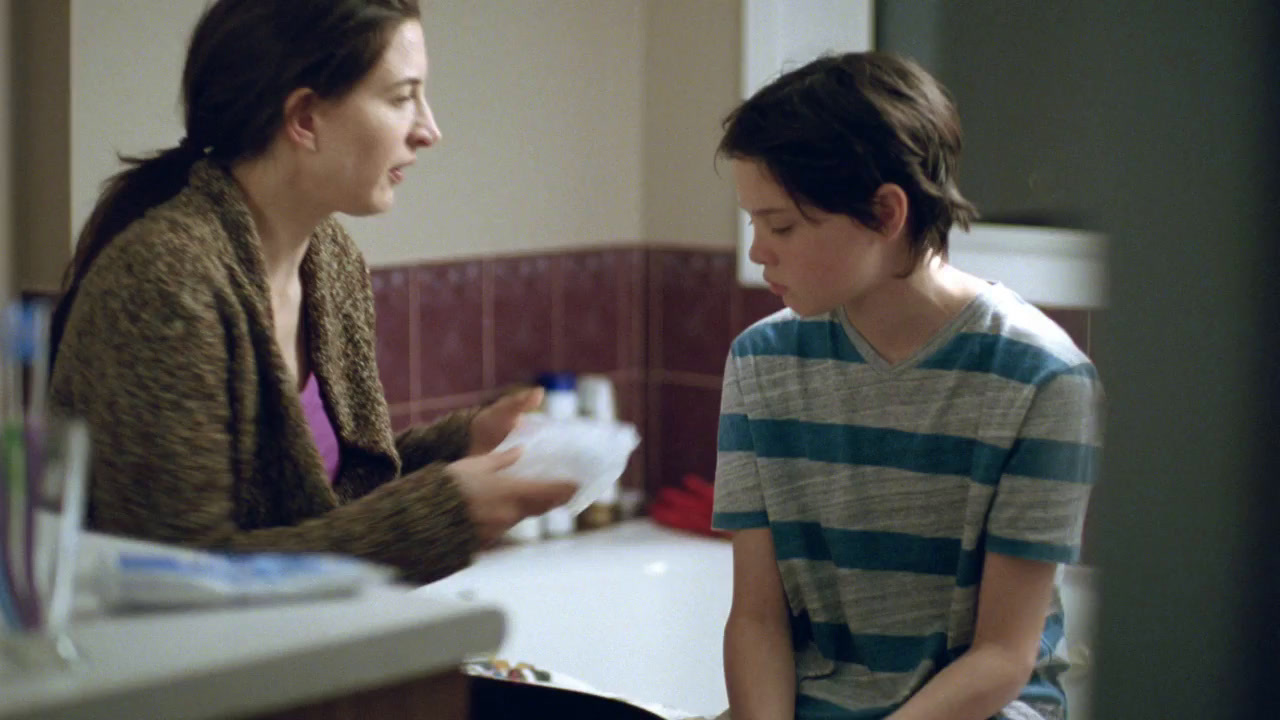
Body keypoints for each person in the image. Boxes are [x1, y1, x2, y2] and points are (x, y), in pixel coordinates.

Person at [48, 0, 577, 585]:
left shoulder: (331, 262)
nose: (429, 130)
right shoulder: (164, 285)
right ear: (304, 117)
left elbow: (328, 501)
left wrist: (463, 444)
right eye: (402, 98)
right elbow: (181, 583)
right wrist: (444, 514)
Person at [711, 52, 1101, 720]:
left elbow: (1004, 658)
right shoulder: (761, 360)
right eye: (753, 223)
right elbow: (756, 621)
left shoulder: (1042, 378)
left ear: (886, 213)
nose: (758, 251)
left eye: (781, 226)